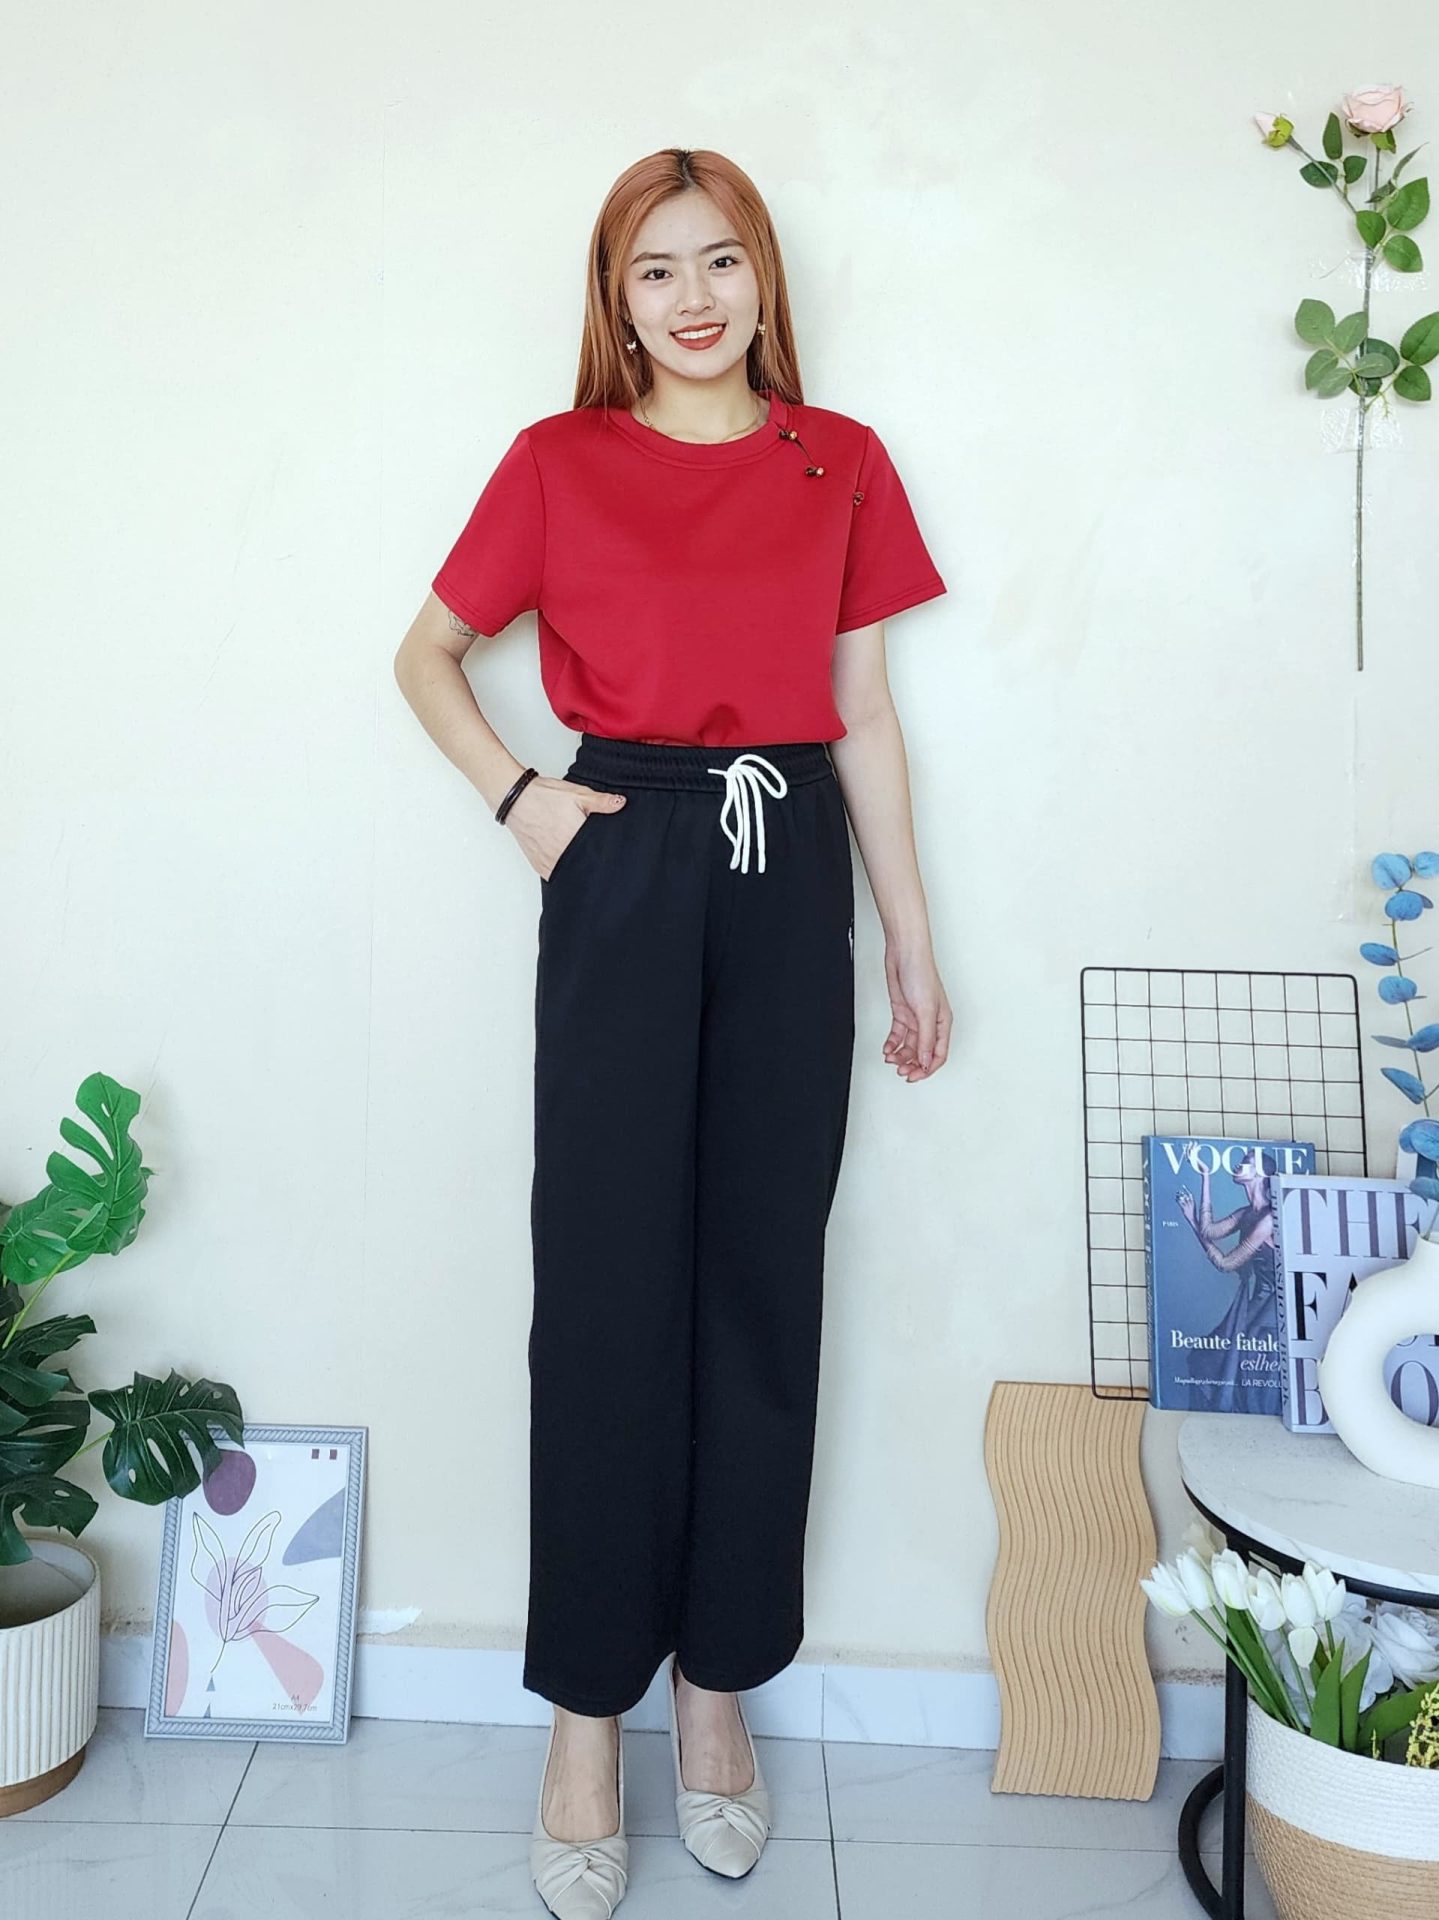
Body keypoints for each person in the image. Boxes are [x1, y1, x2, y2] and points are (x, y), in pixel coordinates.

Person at [394, 145, 953, 1919]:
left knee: (760, 1284)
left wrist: (912, 942)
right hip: (623, 857)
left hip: (790, 870)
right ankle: (586, 1718)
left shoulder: (839, 459)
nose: (694, 297)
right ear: (614, 301)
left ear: (764, 278)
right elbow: (425, 655)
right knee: (607, 1289)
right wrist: (527, 805)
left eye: (722, 261)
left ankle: (717, 1693)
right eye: (656, 269)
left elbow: (864, 714)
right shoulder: (557, 462)